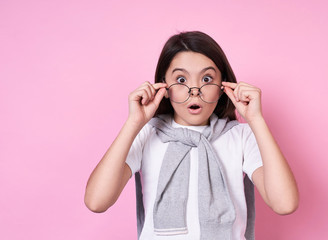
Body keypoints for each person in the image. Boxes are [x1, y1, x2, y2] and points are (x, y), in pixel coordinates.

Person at [84, 31, 299, 240]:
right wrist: (133, 123)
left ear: (222, 87)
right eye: (180, 79)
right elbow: (97, 202)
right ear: (164, 87)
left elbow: (285, 204)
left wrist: (256, 120)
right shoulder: (146, 135)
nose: (195, 89)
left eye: (206, 79)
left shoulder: (241, 136)